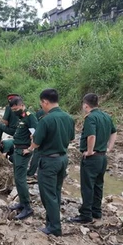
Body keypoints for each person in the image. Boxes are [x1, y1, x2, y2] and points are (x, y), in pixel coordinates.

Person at [26, 89, 75, 236]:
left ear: (45, 102)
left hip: (49, 161)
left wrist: (31, 144)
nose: (42, 107)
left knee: (48, 194)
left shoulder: (46, 120)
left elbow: (36, 143)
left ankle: (54, 227)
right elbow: (71, 139)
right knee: (56, 192)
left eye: (42, 104)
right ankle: (51, 222)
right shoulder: (68, 118)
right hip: (63, 159)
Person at [70, 93, 117, 224]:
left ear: (86, 105)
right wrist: (109, 148)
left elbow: (91, 136)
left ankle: (86, 214)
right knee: (98, 185)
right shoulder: (106, 116)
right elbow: (114, 132)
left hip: (92, 158)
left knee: (87, 186)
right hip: (102, 157)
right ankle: (97, 211)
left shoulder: (90, 118)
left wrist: (89, 151)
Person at [7, 96, 38, 220]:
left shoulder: (30, 116)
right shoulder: (22, 117)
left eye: (16, 109)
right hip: (18, 150)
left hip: (23, 151)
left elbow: (36, 133)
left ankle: (27, 207)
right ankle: (21, 203)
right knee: (17, 178)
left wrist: (30, 148)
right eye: (12, 110)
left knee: (20, 179)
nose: (14, 111)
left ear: (22, 105)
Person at [27, 108, 46, 179]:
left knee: (36, 154)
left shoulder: (40, 114)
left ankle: (31, 172)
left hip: (41, 138)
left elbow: (38, 126)